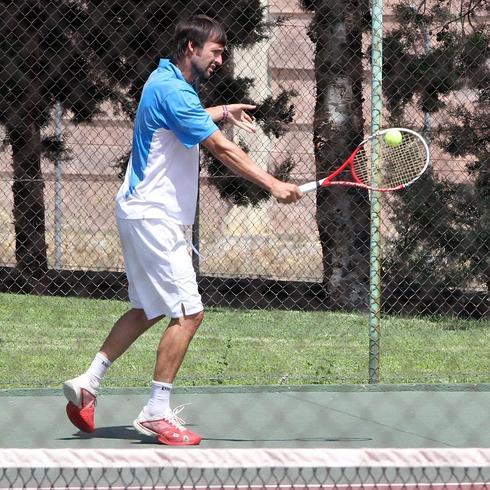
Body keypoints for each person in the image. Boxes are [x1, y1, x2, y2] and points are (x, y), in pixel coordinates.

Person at [63, 14, 303, 446]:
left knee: (148, 307)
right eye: (216, 50)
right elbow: (219, 147)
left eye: (224, 51)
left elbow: (188, 119)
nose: (221, 59)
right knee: (189, 311)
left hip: (140, 211)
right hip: (155, 216)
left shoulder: (164, 81)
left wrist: (224, 110)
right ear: (191, 47)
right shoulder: (174, 89)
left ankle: (88, 382)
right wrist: (273, 184)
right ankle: (156, 411)